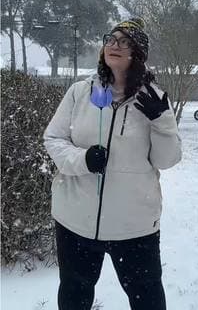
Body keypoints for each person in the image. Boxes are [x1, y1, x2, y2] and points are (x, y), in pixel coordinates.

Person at [43, 17, 182, 310]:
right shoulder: (80, 92)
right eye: (111, 39)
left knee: (147, 299)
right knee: (73, 296)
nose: (114, 45)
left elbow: (167, 160)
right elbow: (53, 139)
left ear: (138, 54)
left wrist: (162, 121)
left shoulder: (153, 99)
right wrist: (82, 159)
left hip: (134, 227)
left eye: (124, 42)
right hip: (75, 222)